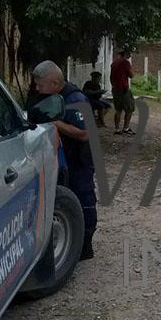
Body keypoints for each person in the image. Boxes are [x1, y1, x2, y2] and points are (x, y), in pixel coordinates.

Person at [32, 60, 97, 261]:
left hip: (79, 160)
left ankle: (86, 246)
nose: (37, 89)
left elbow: (85, 133)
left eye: (40, 85)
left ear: (53, 82)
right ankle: (70, 242)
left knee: (83, 199)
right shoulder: (55, 97)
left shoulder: (76, 99)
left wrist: (55, 123)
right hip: (64, 161)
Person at [110, 50, 135, 135]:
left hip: (115, 89)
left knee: (118, 109)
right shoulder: (126, 63)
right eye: (129, 54)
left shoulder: (113, 63)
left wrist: (114, 86)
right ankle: (126, 128)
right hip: (124, 89)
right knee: (130, 109)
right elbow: (131, 75)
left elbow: (111, 77)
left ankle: (117, 129)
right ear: (125, 54)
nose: (130, 56)